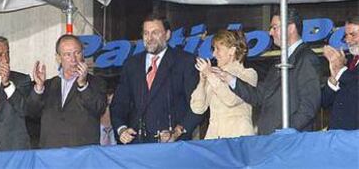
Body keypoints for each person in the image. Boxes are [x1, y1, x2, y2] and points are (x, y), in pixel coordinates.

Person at [217, 8, 321, 135]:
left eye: (274, 27)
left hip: (289, 142)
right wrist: (231, 80)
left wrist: (287, 130)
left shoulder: (306, 58)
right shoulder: (279, 62)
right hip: (272, 139)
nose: (270, 32)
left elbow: (309, 105)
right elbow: (260, 95)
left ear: (291, 28)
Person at [111, 13, 203, 144]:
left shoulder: (184, 61)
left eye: (155, 33)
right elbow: (119, 103)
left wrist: (178, 131)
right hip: (136, 144)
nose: (150, 38)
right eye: (146, 33)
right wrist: (121, 129)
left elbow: (197, 105)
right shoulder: (132, 64)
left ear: (167, 35)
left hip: (171, 144)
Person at [28, 34, 107, 148]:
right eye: (67, 55)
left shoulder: (96, 82)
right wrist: (39, 87)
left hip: (83, 154)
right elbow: (31, 112)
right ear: (58, 58)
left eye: (77, 53)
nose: (73, 59)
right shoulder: (48, 85)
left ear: (83, 54)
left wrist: (83, 85)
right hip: (51, 154)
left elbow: (99, 108)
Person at [190, 30, 257, 139]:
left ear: (232, 50)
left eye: (218, 49)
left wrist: (210, 75)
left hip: (238, 139)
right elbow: (198, 108)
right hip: (214, 140)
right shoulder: (213, 74)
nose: (214, 54)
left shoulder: (248, 74)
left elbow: (231, 99)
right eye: (213, 49)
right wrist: (202, 82)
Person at [322, 16, 359, 130]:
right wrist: (333, 78)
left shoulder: (345, 69)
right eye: (346, 36)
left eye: (353, 35)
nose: (348, 40)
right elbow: (325, 102)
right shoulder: (350, 64)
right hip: (337, 136)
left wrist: (340, 69)